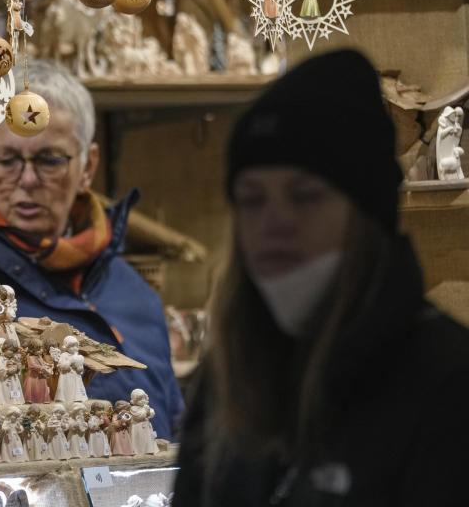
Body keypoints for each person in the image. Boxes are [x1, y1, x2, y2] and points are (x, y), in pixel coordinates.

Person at [172, 50, 469, 505]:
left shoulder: (447, 384)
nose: (274, 222)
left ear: (366, 213)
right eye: (253, 200)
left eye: (305, 196)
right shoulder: (229, 378)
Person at [0, 60, 182, 439]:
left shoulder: (134, 294)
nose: (28, 180)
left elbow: (174, 429)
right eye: (6, 160)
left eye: (50, 159)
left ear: (88, 165)